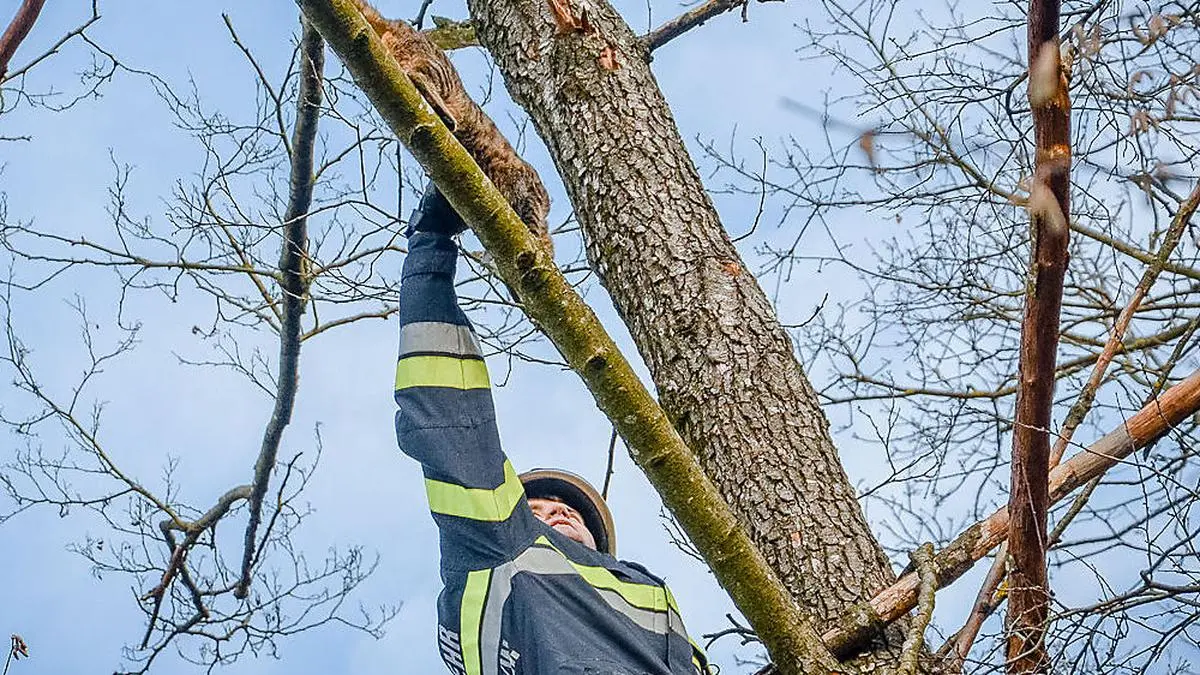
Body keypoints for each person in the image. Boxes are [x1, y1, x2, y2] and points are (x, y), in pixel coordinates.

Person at [393, 182, 713, 675]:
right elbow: (448, 418)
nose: (559, 512)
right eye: (537, 510)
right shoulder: (498, 546)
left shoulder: (656, 605)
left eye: (565, 509)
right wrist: (429, 247)